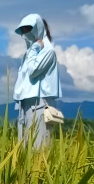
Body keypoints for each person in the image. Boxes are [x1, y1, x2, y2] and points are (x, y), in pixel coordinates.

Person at [13, 14, 61, 148]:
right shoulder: (30, 52)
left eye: (28, 29)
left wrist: (34, 49)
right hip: (28, 102)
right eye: (22, 30)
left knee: (38, 145)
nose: (25, 34)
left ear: (37, 28)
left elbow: (33, 71)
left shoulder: (47, 51)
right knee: (25, 144)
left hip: (40, 102)